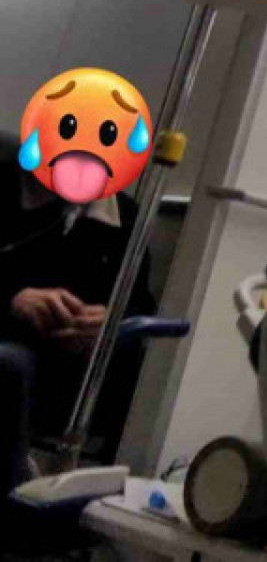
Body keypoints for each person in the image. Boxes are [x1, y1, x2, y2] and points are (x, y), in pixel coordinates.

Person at [0, 130, 154, 495]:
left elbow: (141, 302)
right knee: (9, 365)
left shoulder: (122, 215)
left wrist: (109, 322)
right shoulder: (6, 187)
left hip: (76, 364)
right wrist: (14, 299)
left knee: (142, 367)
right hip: (11, 344)